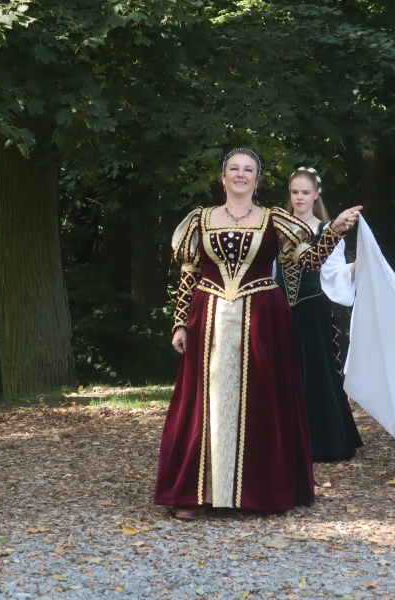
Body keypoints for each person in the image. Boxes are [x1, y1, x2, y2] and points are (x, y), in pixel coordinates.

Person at [154, 148, 362, 518]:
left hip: (262, 318)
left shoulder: (274, 219)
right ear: (223, 177)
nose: (240, 174)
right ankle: (196, 494)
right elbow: (189, 273)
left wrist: (333, 230)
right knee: (203, 402)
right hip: (209, 317)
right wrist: (180, 323)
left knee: (262, 401)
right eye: (233, 168)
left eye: (248, 169)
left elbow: (309, 261)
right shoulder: (200, 219)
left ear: (257, 179)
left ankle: (257, 493)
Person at [275, 167, 363, 461]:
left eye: (305, 192)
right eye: (295, 192)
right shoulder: (277, 226)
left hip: (312, 308)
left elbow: (334, 273)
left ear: (316, 195)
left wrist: (358, 267)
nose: (299, 197)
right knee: (281, 370)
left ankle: (322, 443)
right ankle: (283, 443)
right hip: (278, 309)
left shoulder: (327, 230)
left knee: (316, 371)